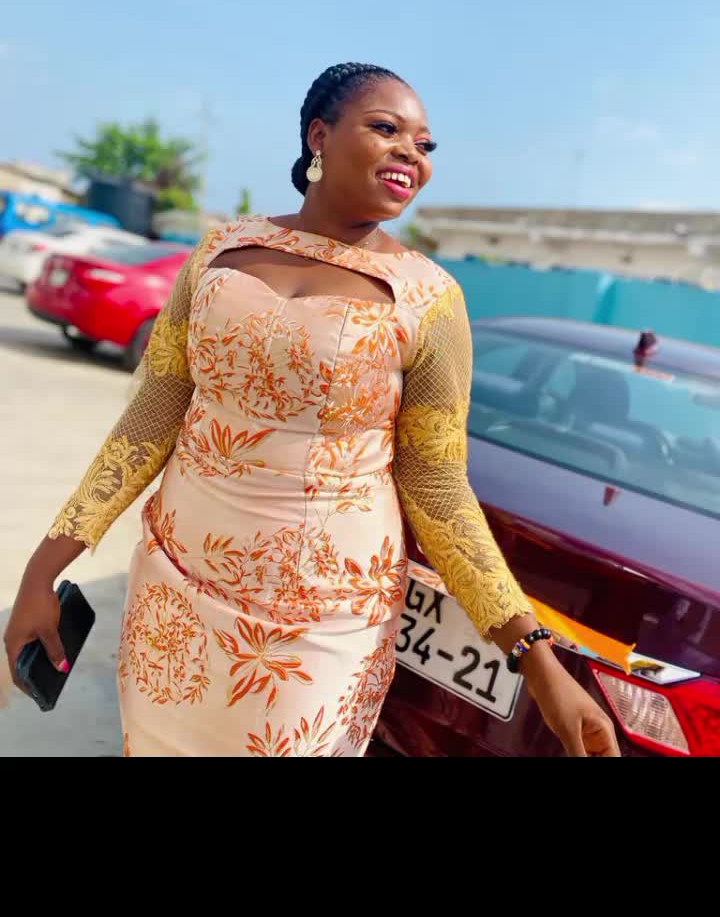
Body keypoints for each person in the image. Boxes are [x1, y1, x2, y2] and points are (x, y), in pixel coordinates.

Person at [4, 63, 620, 757]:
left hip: (320, 623)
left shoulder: (430, 299)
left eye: (424, 145)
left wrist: (535, 657)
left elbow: (437, 486)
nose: (411, 153)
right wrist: (42, 568)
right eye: (386, 128)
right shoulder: (220, 251)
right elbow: (151, 417)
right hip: (175, 588)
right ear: (319, 136)